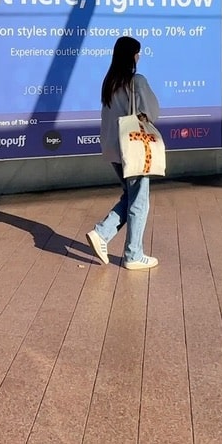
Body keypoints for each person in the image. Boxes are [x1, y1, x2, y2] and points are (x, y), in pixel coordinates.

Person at [86, 35, 160, 271]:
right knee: (140, 201)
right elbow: (151, 111)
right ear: (131, 55)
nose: (139, 56)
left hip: (113, 148)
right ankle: (133, 254)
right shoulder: (136, 81)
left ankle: (102, 234)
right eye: (137, 52)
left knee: (131, 197)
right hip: (133, 149)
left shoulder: (110, 82)